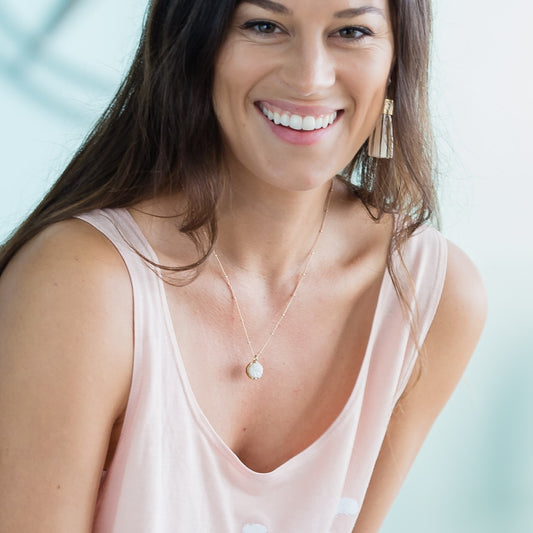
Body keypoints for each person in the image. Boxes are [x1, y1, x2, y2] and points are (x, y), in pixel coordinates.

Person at [0, 0, 487, 531]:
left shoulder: (428, 295)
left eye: (350, 31)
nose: (309, 78)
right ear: (197, 44)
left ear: (397, 61)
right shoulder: (81, 285)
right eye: (264, 25)